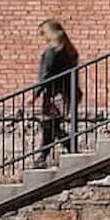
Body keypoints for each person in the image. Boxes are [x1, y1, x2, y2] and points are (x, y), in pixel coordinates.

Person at [32, 19, 80, 168]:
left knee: (49, 125)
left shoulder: (52, 52)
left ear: (50, 33)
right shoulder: (68, 50)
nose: (43, 38)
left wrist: (35, 94)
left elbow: (45, 75)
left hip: (55, 94)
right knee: (51, 125)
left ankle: (68, 144)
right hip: (67, 92)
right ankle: (42, 158)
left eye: (43, 34)